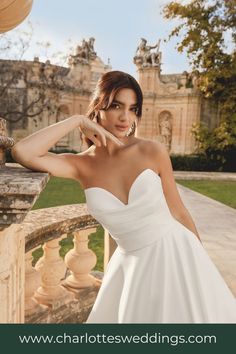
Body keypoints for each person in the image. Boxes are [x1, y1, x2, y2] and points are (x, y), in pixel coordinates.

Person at [11, 70, 236, 323]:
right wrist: (75, 120)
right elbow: (22, 151)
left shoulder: (152, 150)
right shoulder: (81, 165)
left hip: (178, 253)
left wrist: (200, 260)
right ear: (99, 107)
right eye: (116, 105)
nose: (125, 117)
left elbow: (179, 211)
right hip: (131, 268)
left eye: (132, 108)